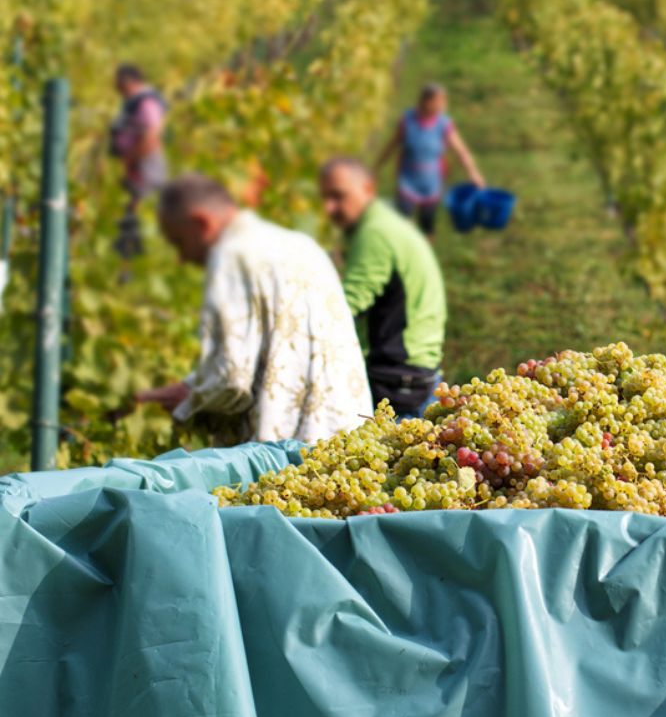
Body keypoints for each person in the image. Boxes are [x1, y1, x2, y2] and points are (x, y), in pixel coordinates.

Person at [135, 174, 372, 445]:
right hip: (348, 435)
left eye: (179, 242)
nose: (181, 257)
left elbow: (231, 378)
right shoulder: (301, 245)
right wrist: (191, 385)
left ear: (201, 222)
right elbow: (272, 346)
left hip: (288, 453)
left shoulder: (231, 256)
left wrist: (185, 403)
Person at [320, 157, 446, 418]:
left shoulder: (374, 234)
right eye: (325, 198)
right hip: (417, 369)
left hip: (399, 377)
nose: (329, 208)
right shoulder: (386, 224)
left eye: (338, 196)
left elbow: (347, 306)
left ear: (367, 188)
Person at [373, 83, 485, 237]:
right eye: (438, 102)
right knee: (403, 221)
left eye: (443, 102)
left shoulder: (444, 125)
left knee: (427, 222)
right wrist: (376, 168)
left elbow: (461, 151)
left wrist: (473, 173)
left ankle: (426, 254)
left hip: (432, 181)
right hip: (407, 180)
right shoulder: (407, 121)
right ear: (424, 101)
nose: (442, 106)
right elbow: (392, 145)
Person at [110, 63, 169, 266]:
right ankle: (128, 261)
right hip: (137, 166)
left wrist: (132, 158)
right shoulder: (135, 103)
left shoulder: (147, 103)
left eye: (120, 87)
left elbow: (151, 136)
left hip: (145, 167)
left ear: (129, 82)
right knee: (130, 214)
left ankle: (139, 263)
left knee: (140, 214)